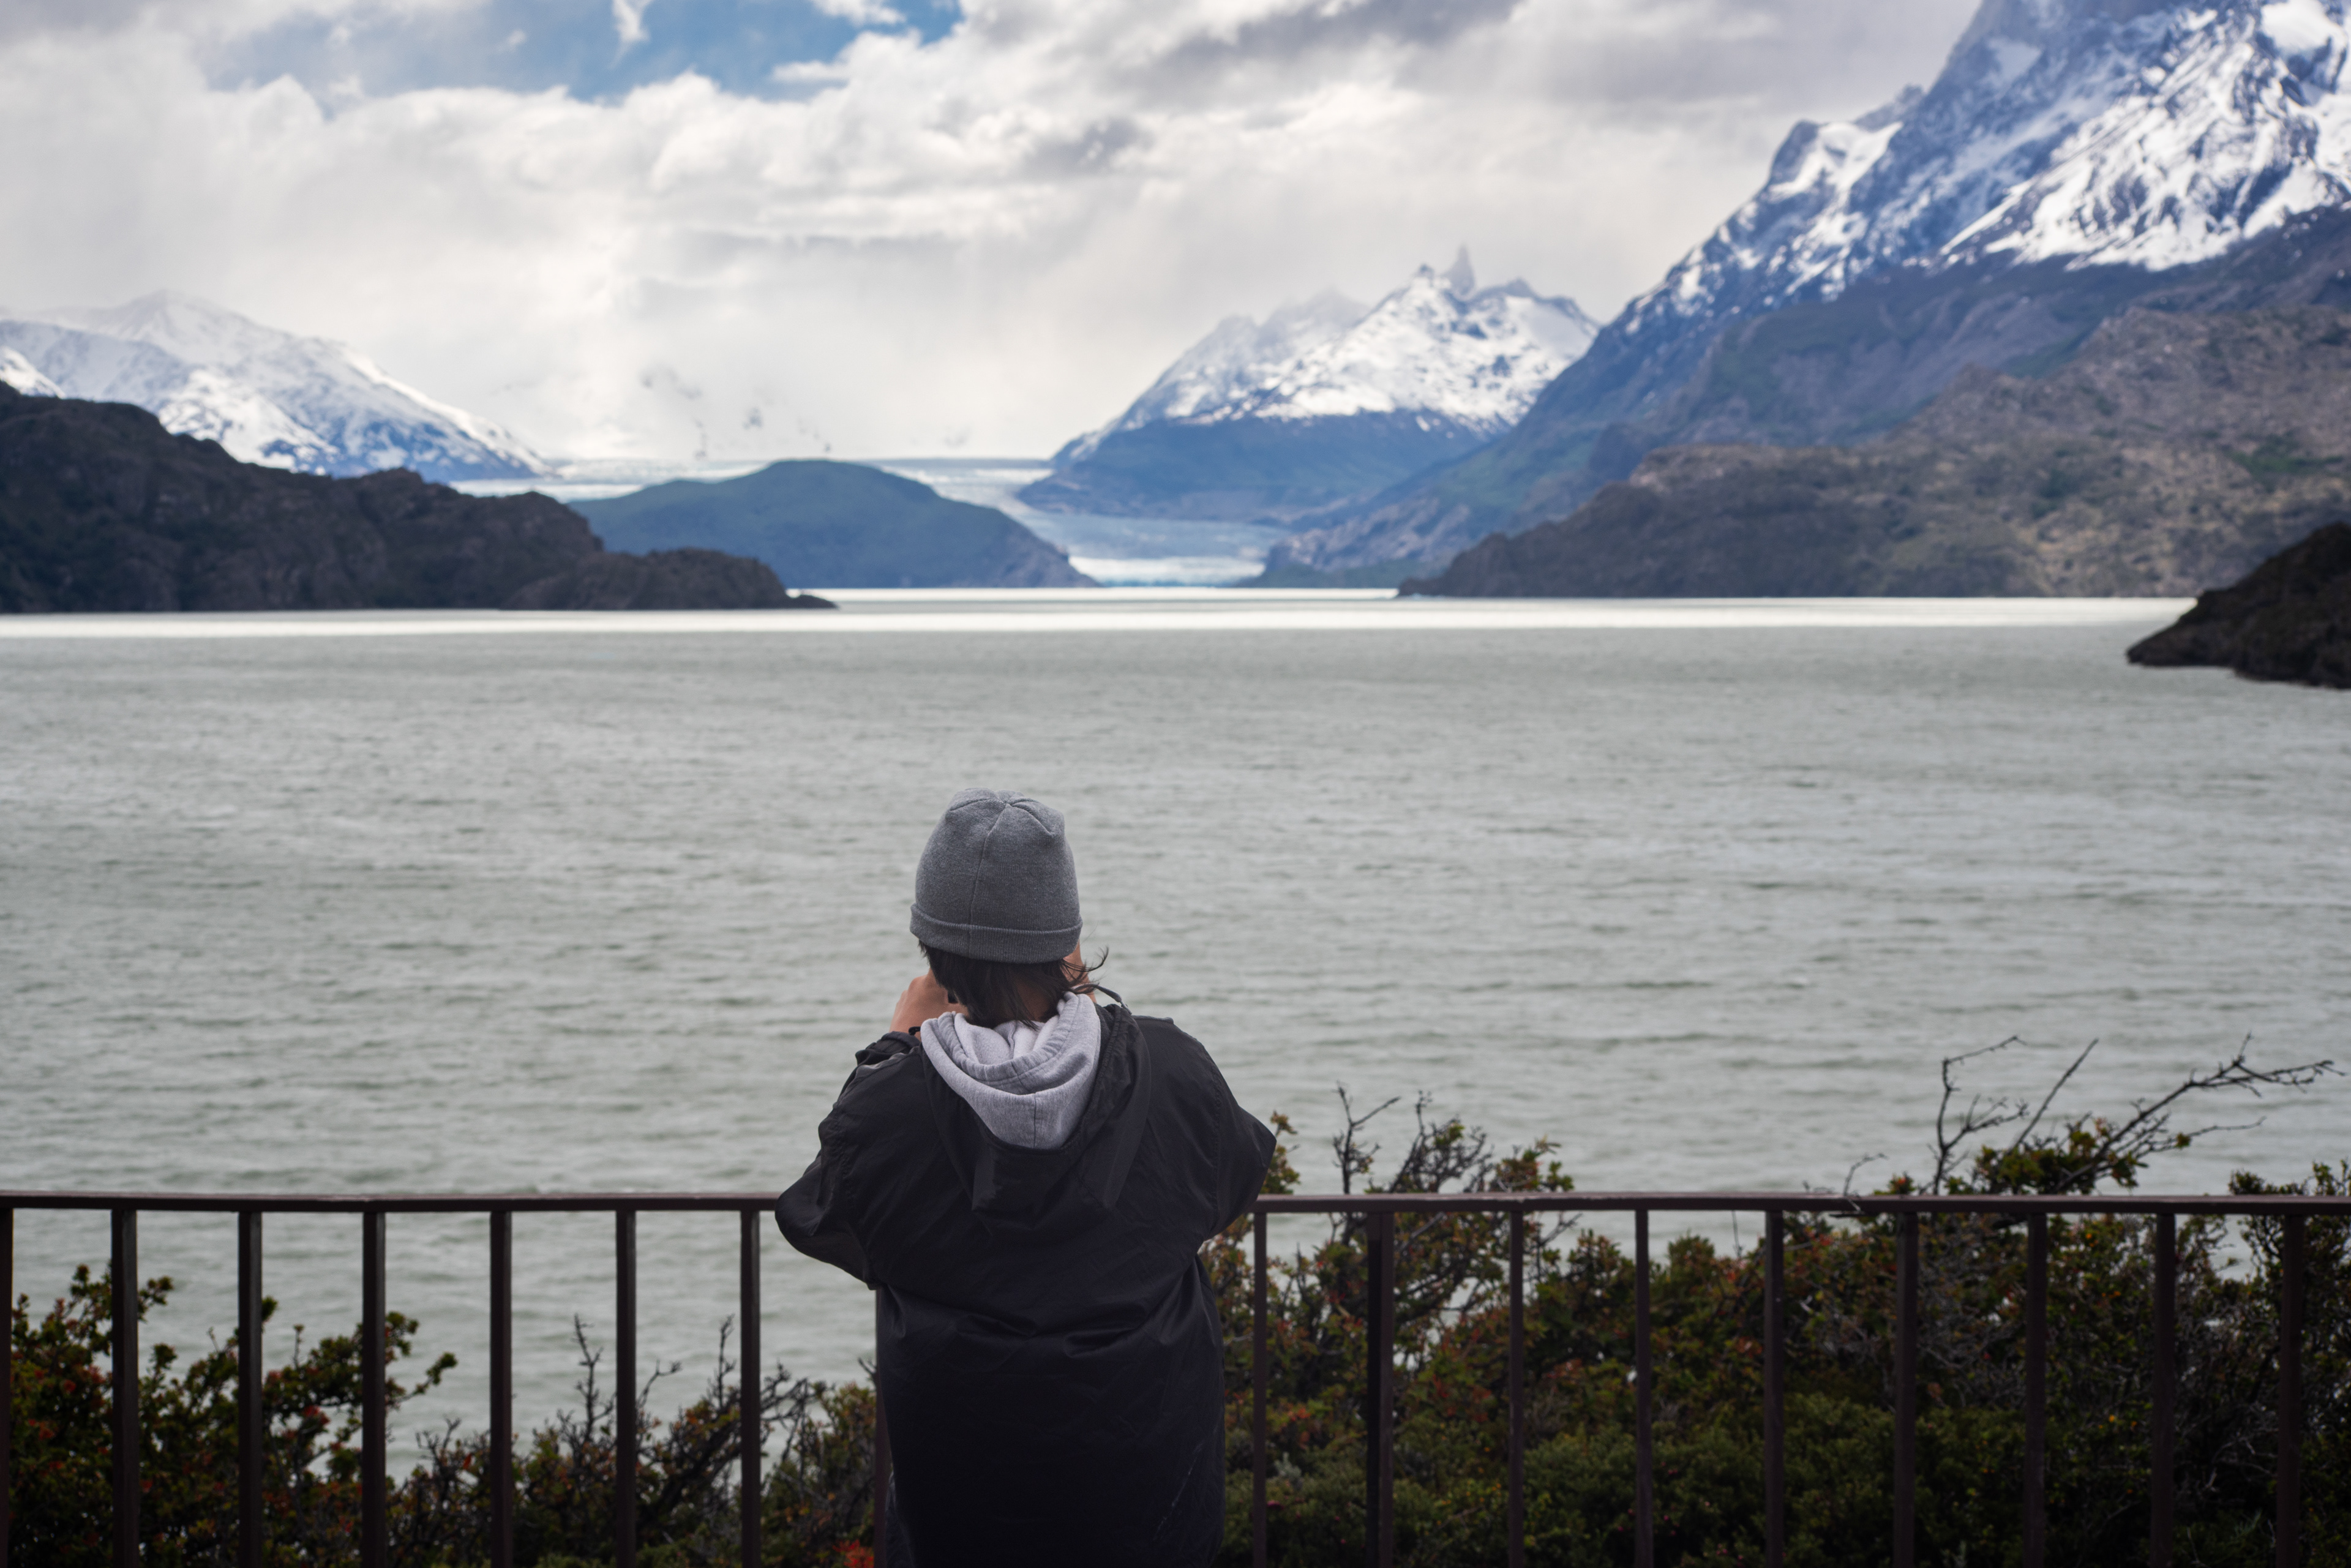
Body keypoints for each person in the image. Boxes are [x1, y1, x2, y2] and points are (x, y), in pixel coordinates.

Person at [776, 788, 1275, 1568]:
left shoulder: (893, 1106)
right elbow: (1233, 1177)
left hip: (962, 1508)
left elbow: (823, 1215)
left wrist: (891, 1046)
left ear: (932, 955)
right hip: (1148, 1502)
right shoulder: (1170, 1069)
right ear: (1066, 945)